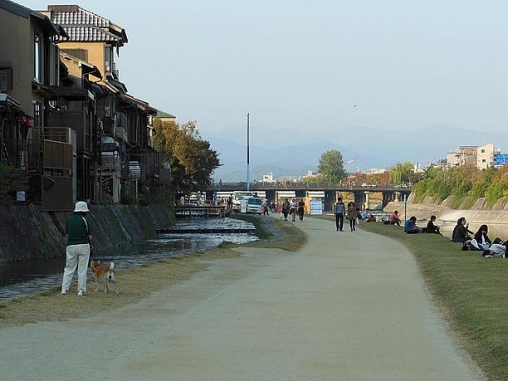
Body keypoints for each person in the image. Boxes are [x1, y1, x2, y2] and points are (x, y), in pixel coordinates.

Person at [61, 201, 93, 296]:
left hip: (71, 246)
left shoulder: (69, 220)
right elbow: (90, 235)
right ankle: (81, 290)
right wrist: (91, 245)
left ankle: (64, 289)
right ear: (83, 212)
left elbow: (67, 233)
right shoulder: (85, 220)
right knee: (82, 269)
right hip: (83, 245)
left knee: (69, 268)